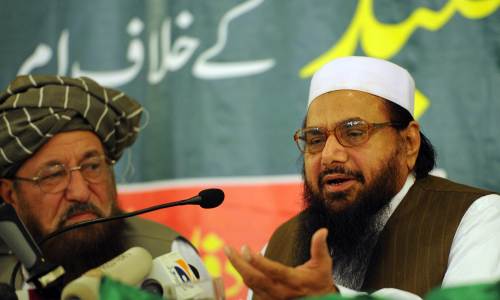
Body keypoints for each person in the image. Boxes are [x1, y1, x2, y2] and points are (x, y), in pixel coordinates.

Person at [225, 56, 500, 299]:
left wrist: (329, 298)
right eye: (316, 138)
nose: (330, 155)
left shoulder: (478, 217)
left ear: (409, 142)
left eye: (354, 133)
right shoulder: (280, 244)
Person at [0, 75, 208, 291]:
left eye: (92, 167)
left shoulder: (169, 254)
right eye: (54, 175)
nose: (80, 192)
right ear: (9, 195)